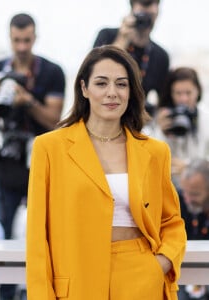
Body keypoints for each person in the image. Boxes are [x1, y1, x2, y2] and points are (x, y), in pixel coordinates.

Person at [26, 45, 186, 300]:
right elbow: (37, 237)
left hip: (141, 278)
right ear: (84, 88)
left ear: (131, 91)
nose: (112, 93)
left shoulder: (156, 152)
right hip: (77, 281)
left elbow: (172, 223)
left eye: (121, 84)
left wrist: (160, 264)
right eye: (101, 83)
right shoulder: (49, 148)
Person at [0, 13, 65, 299]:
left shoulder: (52, 72)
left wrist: (26, 99)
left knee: (49, 236)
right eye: (17, 40)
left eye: (27, 40)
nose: (22, 46)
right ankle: (1, 294)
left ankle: (46, 291)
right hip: (8, 160)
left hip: (42, 159)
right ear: (10, 38)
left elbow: (54, 120)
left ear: (35, 37)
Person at [93, 0, 169, 117]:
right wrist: (122, 39)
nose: (153, 10)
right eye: (146, 3)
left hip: (137, 122)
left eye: (157, 5)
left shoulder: (161, 56)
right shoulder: (108, 36)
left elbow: (162, 103)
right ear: (132, 8)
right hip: (103, 115)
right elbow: (95, 75)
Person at [155, 67, 209, 185]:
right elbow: (155, 158)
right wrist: (161, 132)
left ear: (198, 92)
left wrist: (189, 166)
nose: (183, 99)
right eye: (178, 93)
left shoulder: (206, 119)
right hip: (171, 187)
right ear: (171, 94)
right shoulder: (165, 117)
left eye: (188, 93)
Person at [177, 159, 209, 300]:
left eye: (195, 194)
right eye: (185, 192)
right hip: (181, 272)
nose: (188, 199)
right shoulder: (177, 201)